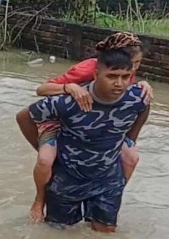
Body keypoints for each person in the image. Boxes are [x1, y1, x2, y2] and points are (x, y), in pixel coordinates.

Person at [17, 48, 150, 232]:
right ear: (96, 74)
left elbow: (145, 107)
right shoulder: (68, 102)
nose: (119, 83)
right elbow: (24, 117)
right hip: (67, 181)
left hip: (107, 181)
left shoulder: (136, 98)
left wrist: (129, 140)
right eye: (111, 76)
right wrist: (41, 146)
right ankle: (39, 201)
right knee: (57, 232)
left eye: (125, 77)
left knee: (105, 232)